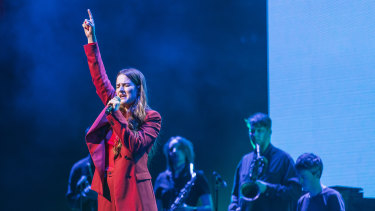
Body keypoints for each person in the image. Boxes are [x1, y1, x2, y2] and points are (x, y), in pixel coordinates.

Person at [82, 9, 162, 211]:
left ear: (138, 89)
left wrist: (115, 113)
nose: (120, 90)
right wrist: (92, 39)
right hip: (108, 191)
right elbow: (99, 78)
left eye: (126, 86)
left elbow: (134, 145)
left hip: (132, 190)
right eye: (118, 86)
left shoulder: (151, 118)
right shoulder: (114, 107)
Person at [228, 112, 301, 211]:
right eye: (252, 131)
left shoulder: (284, 159)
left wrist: (267, 188)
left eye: (260, 131)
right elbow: (235, 195)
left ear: (269, 132)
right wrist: (234, 208)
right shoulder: (245, 160)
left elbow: (294, 192)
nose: (255, 135)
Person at [154, 136, 213, 211]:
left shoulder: (197, 176)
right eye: (171, 149)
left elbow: (210, 208)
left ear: (186, 151)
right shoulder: (161, 178)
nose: (175, 151)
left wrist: (191, 209)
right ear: (168, 154)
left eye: (179, 148)